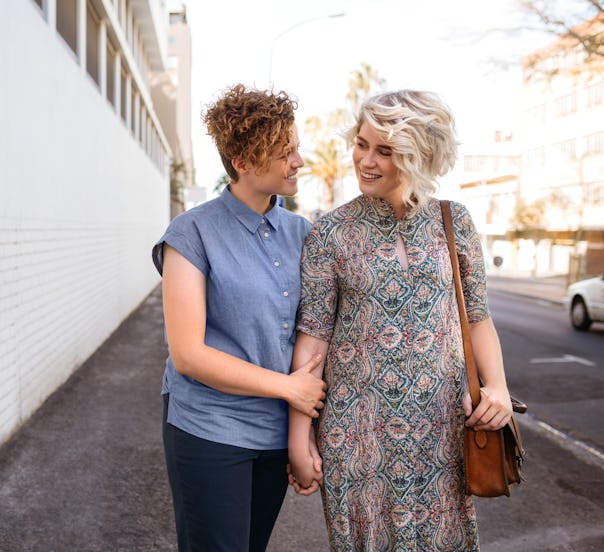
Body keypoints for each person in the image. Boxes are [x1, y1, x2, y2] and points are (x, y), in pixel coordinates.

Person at [288, 90, 513, 551]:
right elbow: (313, 340)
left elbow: (477, 318)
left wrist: (500, 389)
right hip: (357, 432)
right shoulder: (330, 232)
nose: (365, 160)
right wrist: (299, 437)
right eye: (361, 143)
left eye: (385, 151)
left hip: (444, 430)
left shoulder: (455, 221)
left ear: (418, 156)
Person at [152, 84, 327, 552]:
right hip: (208, 428)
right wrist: (289, 388)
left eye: (297, 148)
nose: (299, 162)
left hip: (273, 433)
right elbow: (188, 355)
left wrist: (300, 437)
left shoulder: (303, 233)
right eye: (284, 152)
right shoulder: (191, 232)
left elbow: (313, 338)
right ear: (243, 162)